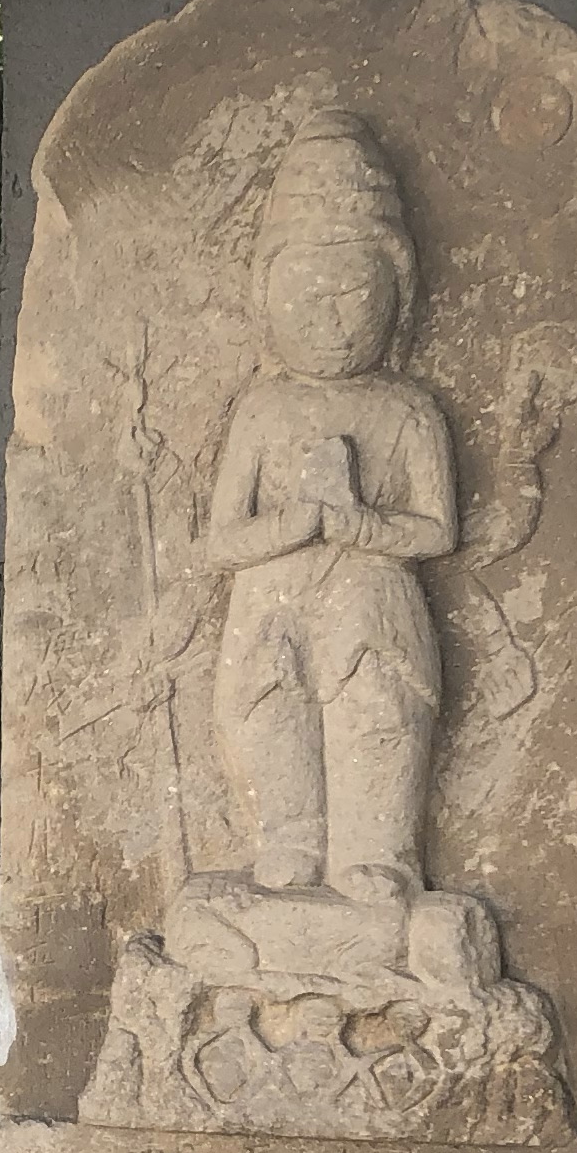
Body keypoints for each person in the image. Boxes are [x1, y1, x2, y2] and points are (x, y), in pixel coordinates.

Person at [198, 116, 454, 894]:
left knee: (378, 705)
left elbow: (438, 530)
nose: (331, 320)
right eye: (306, 300)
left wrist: (359, 524)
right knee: (271, 706)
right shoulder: (263, 408)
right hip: (271, 603)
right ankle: (290, 840)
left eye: (352, 297)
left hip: (372, 599)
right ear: (266, 300)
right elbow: (221, 540)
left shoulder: (407, 408)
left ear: (397, 301)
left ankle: (378, 851)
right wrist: (296, 523)